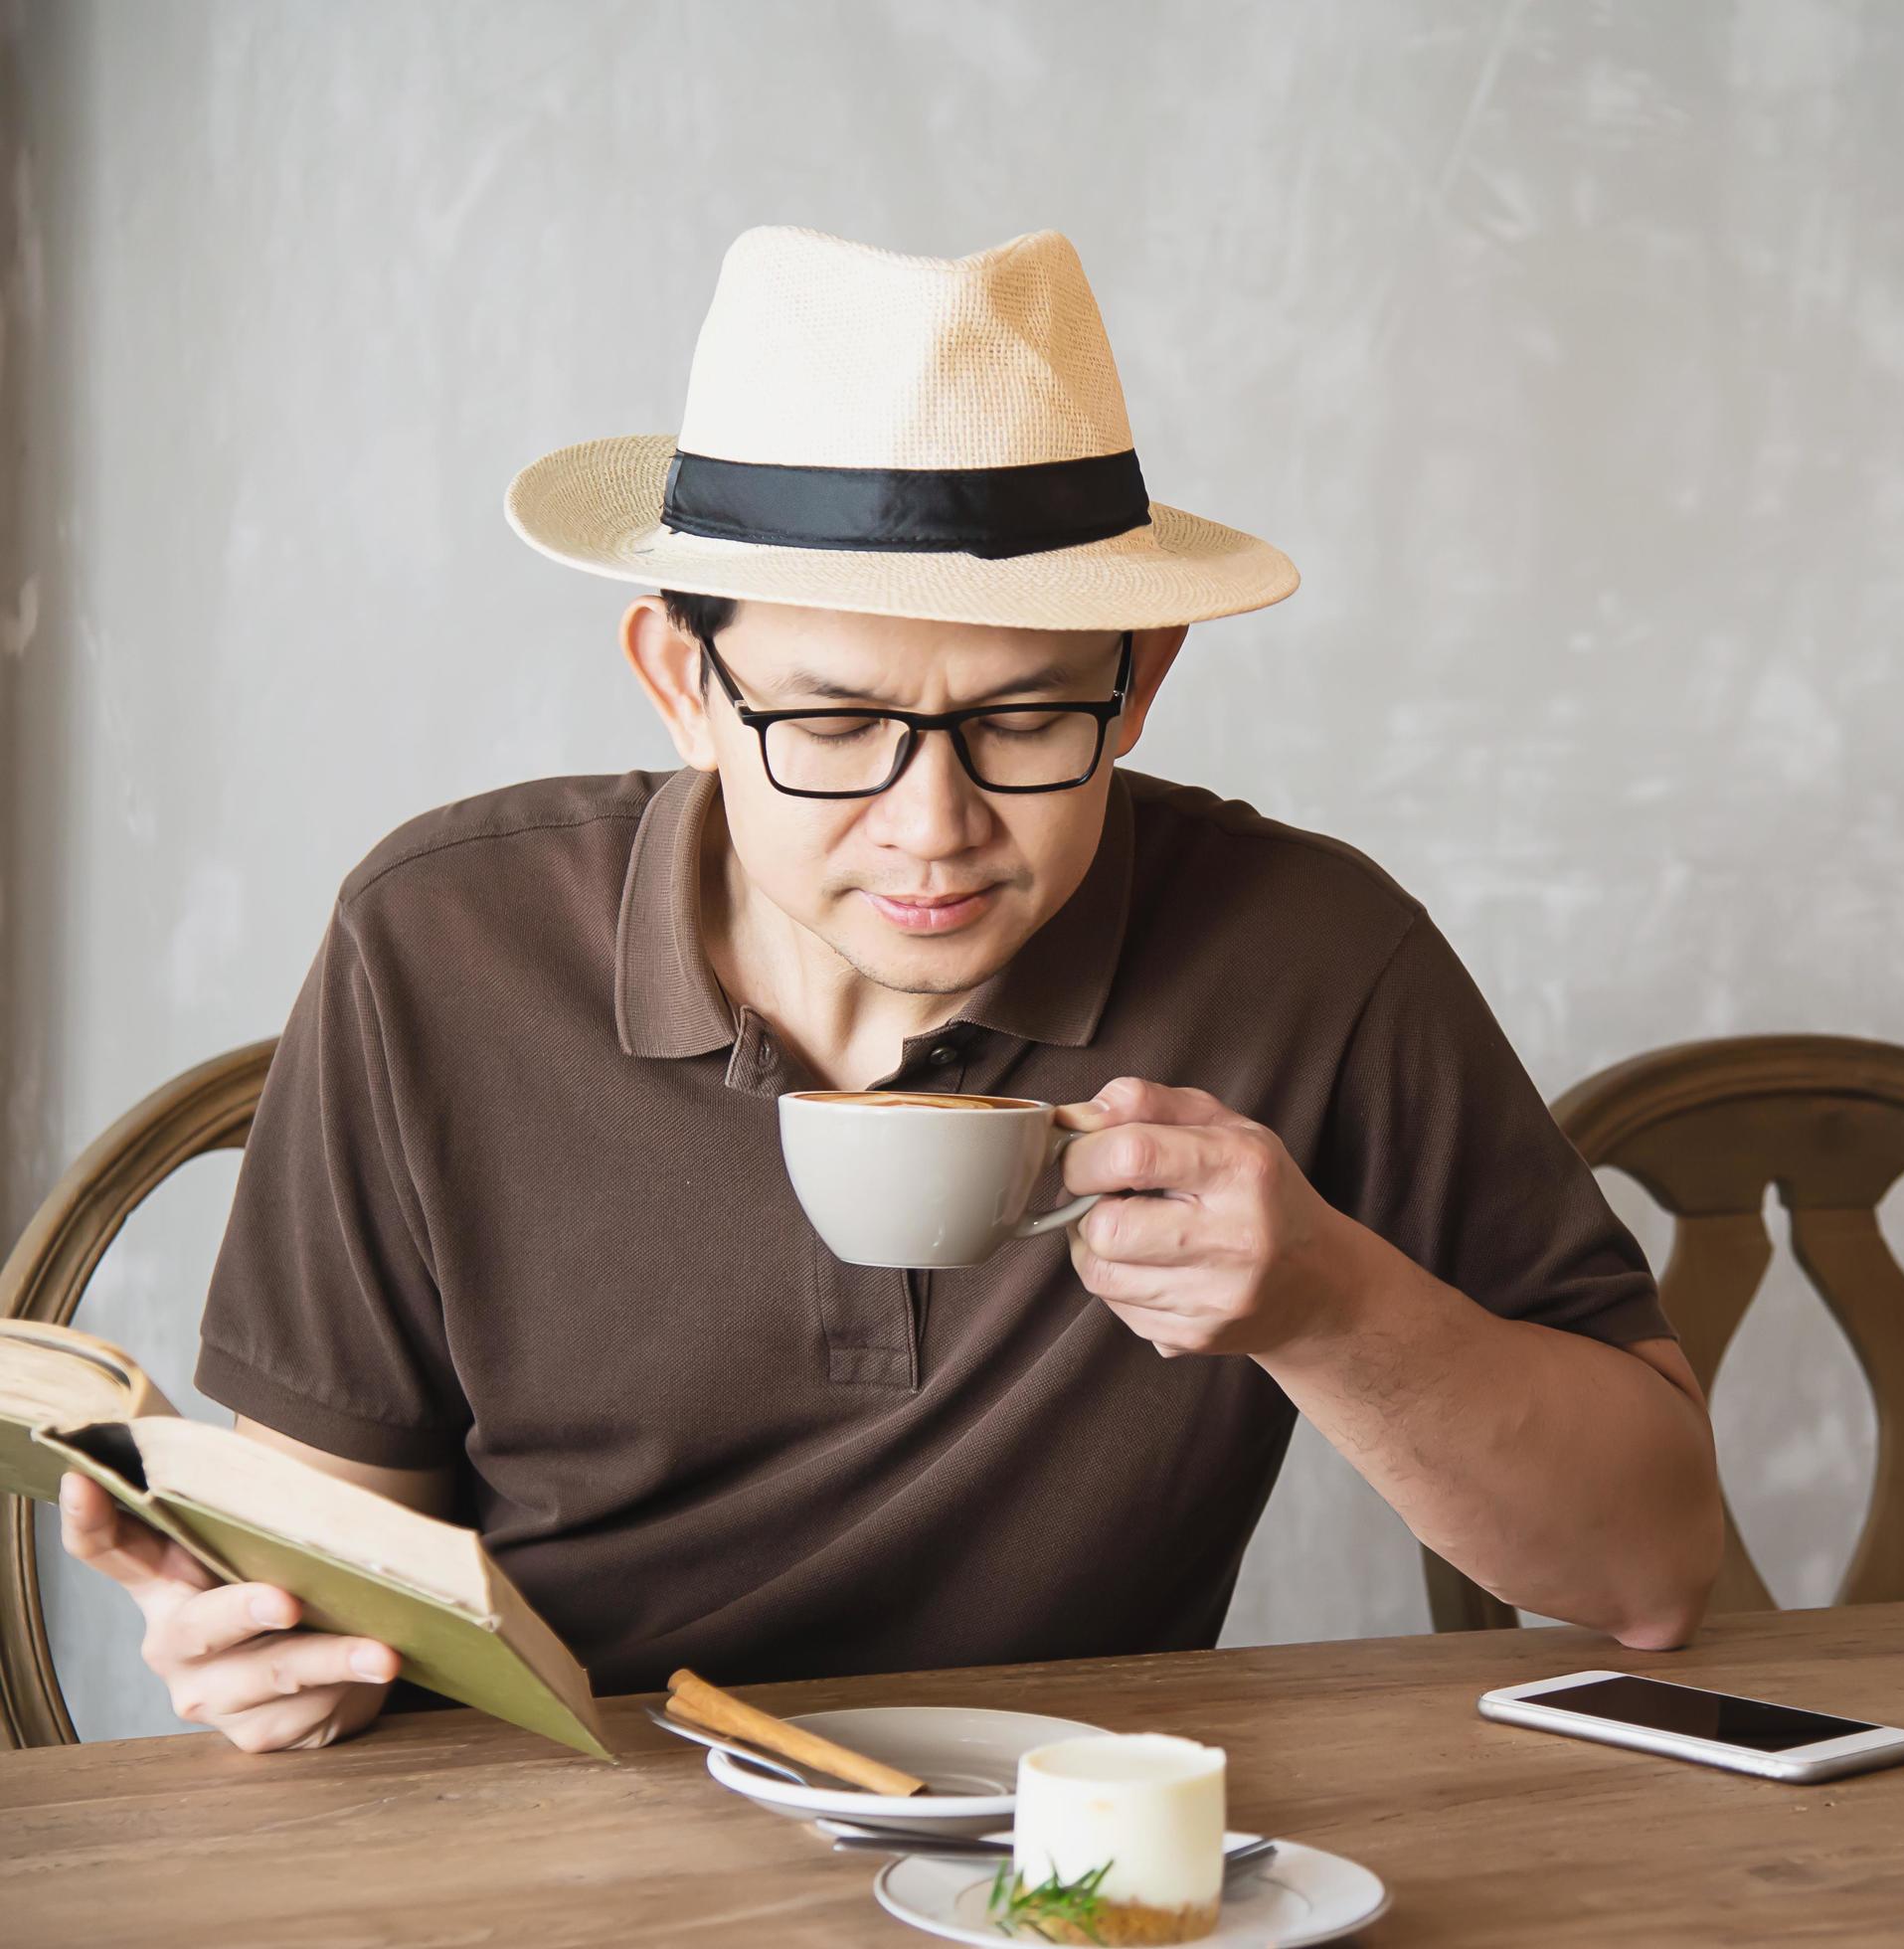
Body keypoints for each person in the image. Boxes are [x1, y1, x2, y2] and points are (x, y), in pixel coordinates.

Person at [57, 226, 1721, 1754]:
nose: (934, 830)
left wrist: (1330, 1306)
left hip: (1061, 1865)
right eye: (833, 726)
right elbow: (329, 1564)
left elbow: (1646, 1573)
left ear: (1140, 692)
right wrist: (259, 1646)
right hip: (562, 1826)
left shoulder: (1314, 955)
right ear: (679, 683)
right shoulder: (441, 941)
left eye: (1023, 723)